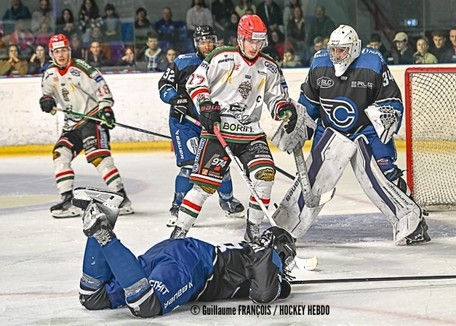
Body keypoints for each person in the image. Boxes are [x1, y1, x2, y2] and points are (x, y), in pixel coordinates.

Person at [293, 25, 430, 245]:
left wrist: (387, 114)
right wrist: (299, 127)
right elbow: (308, 104)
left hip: (367, 130)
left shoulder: (373, 63)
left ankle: (413, 222)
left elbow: (392, 99)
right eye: (334, 50)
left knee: (385, 173)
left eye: (342, 50)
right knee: (312, 179)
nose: (336, 56)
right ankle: (289, 226)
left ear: (355, 49)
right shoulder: (319, 65)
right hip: (330, 131)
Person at [74, 187, 294, 317]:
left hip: (175, 252)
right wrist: (282, 285)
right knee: (145, 304)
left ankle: (105, 212)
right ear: (280, 249)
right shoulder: (266, 253)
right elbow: (264, 294)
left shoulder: (254, 252)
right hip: (193, 264)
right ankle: (103, 235)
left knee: (93, 297)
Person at [171, 15, 298, 241]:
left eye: (260, 41)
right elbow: (195, 82)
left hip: (251, 134)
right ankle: (178, 234)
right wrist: (205, 104)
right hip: (219, 132)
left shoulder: (268, 66)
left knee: (265, 175)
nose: (255, 46)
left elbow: (276, 98)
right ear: (240, 38)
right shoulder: (221, 57)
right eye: (251, 41)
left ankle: (253, 232)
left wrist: (284, 110)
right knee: (203, 187)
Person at [38, 33, 133, 218]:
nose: (61, 55)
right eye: (57, 51)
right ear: (51, 53)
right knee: (60, 155)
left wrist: (106, 110)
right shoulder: (49, 74)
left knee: (99, 158)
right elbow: (47, 94)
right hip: (71, 125)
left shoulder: (83, 69)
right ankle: (67, 200)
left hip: (91, 119)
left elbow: (103, 90)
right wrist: (46, 101)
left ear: (69, 51)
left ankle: (122, 199)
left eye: (64, 50)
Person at [158, 25, 245, 226]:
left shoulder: (224, 62)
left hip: (212, 122)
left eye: (209, 40)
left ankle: (227, 200)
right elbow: (164, 85)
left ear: (216, 40)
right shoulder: (183, 62)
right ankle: (178, 205)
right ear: (195, 43)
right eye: (202, 41)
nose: (206, 45)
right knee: (189, 167)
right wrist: (174, 99)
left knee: (220, 165)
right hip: (185, 123)